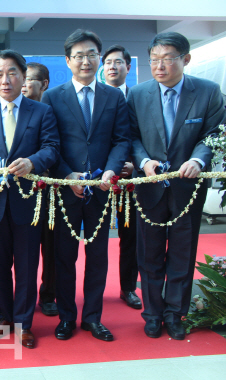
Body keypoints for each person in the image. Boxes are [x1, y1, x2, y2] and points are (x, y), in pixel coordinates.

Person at [128, 32, 225, 340]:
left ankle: (175, 313)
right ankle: (153, 313)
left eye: (167, 59)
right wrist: (144, 162)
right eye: (154, 59)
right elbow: (130, 137)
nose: (159, 66)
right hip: (150, 186)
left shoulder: (208, 92)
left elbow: (213, 133)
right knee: (150, 252)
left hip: (188, 187)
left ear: (185, 59)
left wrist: (197, 160)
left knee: (183, 252)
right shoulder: (137, 94)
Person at [41, 29, 130, 342]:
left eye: (92, 54)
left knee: (98, 257)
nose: (86, 61)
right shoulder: (52, 97)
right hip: (68, 190)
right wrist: (68, 176)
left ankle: (93, 317)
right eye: (78, 55)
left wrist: (110, 170)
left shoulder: (114, 96)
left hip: (102, 191)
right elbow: (51, 144)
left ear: (100, 58)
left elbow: (121, 140)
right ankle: (67, 317)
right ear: (67, 61)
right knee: (65, 257)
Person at [0, 49, 60, 349]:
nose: (4, 80)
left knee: (25, 265)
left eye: (11, 73)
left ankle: (23, 323)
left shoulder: (41, 111)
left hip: (28, 203)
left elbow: (52, 148)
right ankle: (2, 319)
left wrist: (33, 162)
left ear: (23, 76)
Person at [101, 44, 142, 310]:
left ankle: (128, 287)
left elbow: (140, 136)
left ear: (129, 67)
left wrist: (134, 166)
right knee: (96, 237)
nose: (113, 67)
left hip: (131, 181)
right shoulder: (97, 96)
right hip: (100, 179)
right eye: (108, 63)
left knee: (131, 236)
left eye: (118, 62)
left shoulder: (139, 98)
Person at [21, 62, 58, 317]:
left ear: (44, 84)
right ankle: (23, 297)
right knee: (24, 252)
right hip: (23, 193)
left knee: (52, 247)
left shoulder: (51, 110)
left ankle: (48, 294)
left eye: (28, 80)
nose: (22, 85)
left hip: (54, 191)